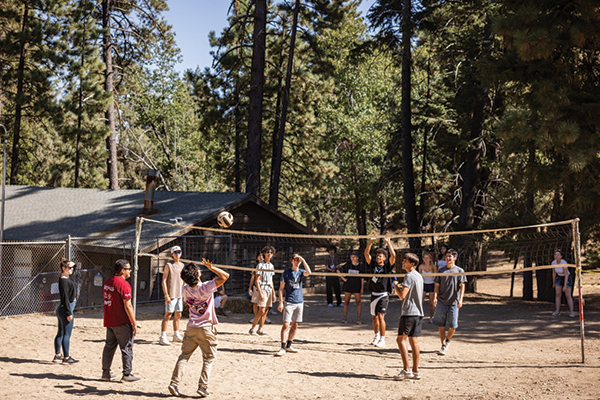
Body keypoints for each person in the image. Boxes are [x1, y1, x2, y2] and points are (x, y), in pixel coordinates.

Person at [168, 259, 230, 398]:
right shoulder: (206, 287)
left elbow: (188, 282)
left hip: (191, 327)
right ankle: (202, 387)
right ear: (197, 275)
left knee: (184, 356)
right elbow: (225, 276)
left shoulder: (184, 290)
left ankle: (174, 383)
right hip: (206, 327)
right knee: (208, 359)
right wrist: (212, 267)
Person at [101, 259, 140, 382]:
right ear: (123, 271)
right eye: (128, 269)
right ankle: (127, 374)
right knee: (126, 347)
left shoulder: (108, 281)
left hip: (110, 320)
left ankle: (105, 373)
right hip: (122, 321)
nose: (130, 271)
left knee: (109, 347)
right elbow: (128, 305)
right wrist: (134, 323)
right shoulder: (124, 284)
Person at [392, 252, 423, 380]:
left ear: (412, 264)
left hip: (409, 312)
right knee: (413, 341)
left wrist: (395, 286)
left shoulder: (409, 276)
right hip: (418, 313)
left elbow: (402, 295)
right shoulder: (419, 276)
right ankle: (416, 371)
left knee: (401, 340)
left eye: (405, 261)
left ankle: (406, 370)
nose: (402, 263)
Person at [275, 253, 312, 356]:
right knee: (286, 324)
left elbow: (309, 272)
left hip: (299, 301)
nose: (296, 261)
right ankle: (282, 347)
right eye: (295, 260)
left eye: (298, 260)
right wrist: (280, 302)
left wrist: (303, 260)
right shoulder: (286, 273)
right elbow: (281, 288)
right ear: (291, 261)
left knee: (295, 324)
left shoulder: (300, 272)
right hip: (289, 301)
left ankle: (289, 345)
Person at [364, 234, 396, 348]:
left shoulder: (387, 266)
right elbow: (366, 254)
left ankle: (383, 339)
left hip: (383, 294)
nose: (378, 257)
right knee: (374, 317)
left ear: (384, 258)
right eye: (377, 256)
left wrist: (388, 242)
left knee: (381, 316)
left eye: (380, 256)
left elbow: (393, 255)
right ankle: (376, 336)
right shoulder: (372, 265)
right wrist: (371, 242)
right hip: (374, 294)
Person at [432, 249, 466, 356]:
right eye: (447, 256)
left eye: (450, 256)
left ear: (454, 258)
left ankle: (447, 340)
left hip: (453, 302)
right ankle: (443, 345)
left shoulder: (460, 271)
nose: (448, 258)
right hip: (442, 300)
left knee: (453, 326)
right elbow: (437, 285)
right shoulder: (441, 270)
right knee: (440, 324)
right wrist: (435, 297)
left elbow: (462, 286)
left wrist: (461, 299)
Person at [53, 258, 78, 365]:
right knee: (66, 334)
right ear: (63, 268)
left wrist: (71, 263)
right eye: (69, 267)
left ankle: (58, 355)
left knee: (61, 333)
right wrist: (69, 312)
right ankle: (66, 358)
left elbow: (75, 267)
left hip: (63, 309)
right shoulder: (64, 281)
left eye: (73, 267)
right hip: (66, 308)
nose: (72, 269)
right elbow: (65, 298)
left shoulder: (66, 278)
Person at [160, 246, 185, 346]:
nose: (177, 253)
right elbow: (164, 281)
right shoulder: (168, 265)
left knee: (178, 314)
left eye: (179, 251)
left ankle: (176, 334)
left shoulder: (182, 265)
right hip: (171, 294)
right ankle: (163, 336)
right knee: (168, 314)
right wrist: (166, 295)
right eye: (175, 252)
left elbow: (183, 280)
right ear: (172, 254)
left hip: (179, 294)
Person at [249, 246, 276, 335]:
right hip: (262, 288)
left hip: (269, 288)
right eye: (268, 252)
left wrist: (273, 293)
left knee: (266, 310)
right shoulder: (260, 265)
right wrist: (260, 293)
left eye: (271, 253)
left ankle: (260, 328)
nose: (269, 254)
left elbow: (271, 281)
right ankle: (252, 328)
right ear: (264, 253)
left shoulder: (271, 266)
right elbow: (257, 280)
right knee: (261, 310)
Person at [338, 251, 364, 324]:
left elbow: (362, 278)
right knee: (346, 302)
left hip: (357, 286)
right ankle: (344, 318)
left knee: (358, 302)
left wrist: (362, 288)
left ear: (357, 258)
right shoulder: (348, 265)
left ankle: (359, 319)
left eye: (354, 256)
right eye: (352, 256)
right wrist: (343, 279)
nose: (353, 258)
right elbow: (338, 270)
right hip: (348, 285)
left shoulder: (360, 266)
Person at [552, 249, 575, 318]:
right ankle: (557, 311)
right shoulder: (553, 263)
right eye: (555, 255)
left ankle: (572, 312)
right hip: (559, 277)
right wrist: (553, 283)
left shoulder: (563, 262)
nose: (556, 256)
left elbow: (566, 274)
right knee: (558, 294)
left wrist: (565, 286)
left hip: (566, 277)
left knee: (568, 295)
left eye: (558, 255)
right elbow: (554, 273)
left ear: (561, 256)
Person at [418, 252, 437, 319]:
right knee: (420, 301)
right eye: (424, 258)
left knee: (431, 303)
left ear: (430, 259)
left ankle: (432, 317)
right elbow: (419, 277)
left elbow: (436, 277)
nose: (425, 259)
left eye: (427, 258)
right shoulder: (421, 266)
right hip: (423, 285)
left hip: (431, 284)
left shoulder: (433, 267)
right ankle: (419, 315)